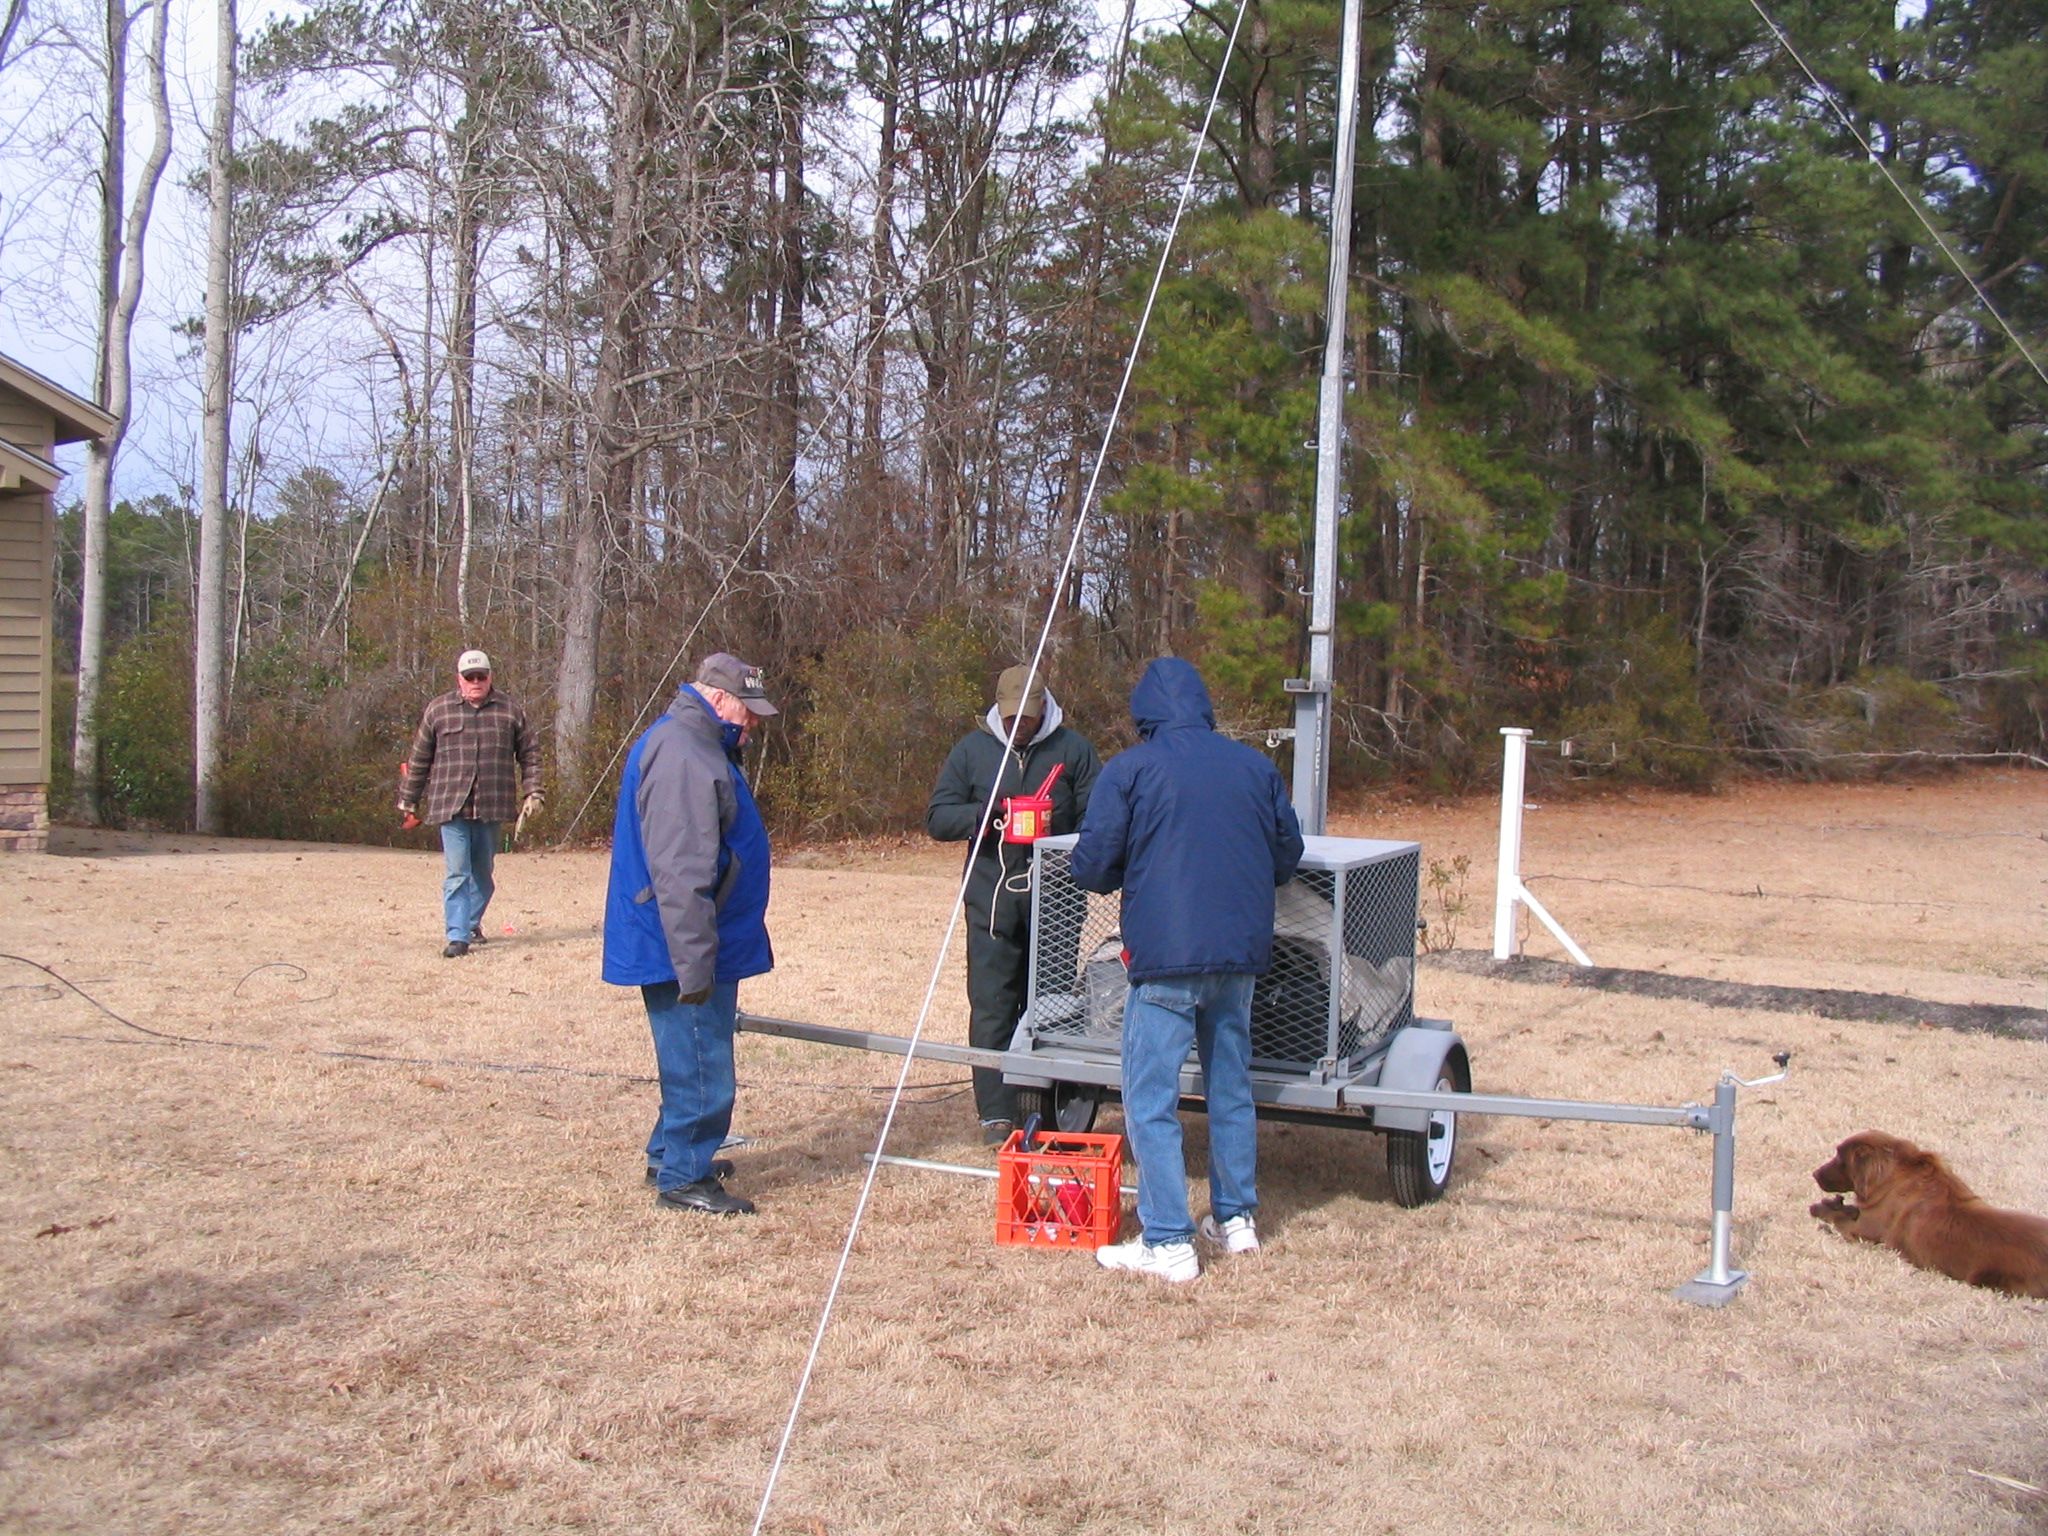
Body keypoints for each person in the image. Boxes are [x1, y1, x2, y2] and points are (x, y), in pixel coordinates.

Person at [1069, 657, 1303, 1282]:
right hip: (1240, 958)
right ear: (1203, 706)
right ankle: (1236, 1220)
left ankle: (1168, 1241)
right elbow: (1288, 856)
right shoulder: (1255, 767)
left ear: (1143, 713)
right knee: (1230, 1088)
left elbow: (1091, 866)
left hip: (1165, 961)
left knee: (1151, 1098)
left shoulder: (1130, 770)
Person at [603, 652, 778, 1217]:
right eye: (748, 711)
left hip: (693, 935)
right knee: (702, 1062)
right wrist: (695, 964)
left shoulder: (699, 744)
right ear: (718, 699)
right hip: (682, 941)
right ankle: (684, 1176)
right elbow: (680, 871)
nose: (753, 723)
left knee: (690, 1053)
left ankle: (668, 1154)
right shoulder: (683, 751)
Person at [927, 662, 1101, 1146]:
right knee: (992, 1005)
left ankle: (1045, 1109)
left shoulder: (1074, 750)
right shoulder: (973, 750)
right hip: (992, 901)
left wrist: (1065, 842)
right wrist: (989, 815)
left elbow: (1099, 818)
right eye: (1009, 717)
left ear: (1044, 708)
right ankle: (996, 1113)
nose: (1017, 725)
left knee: (1051, 1006)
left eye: (1026, 716)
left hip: (1058, 900)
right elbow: (938, 817)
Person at [399, 648, 543, 959]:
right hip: (450, 805)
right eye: (470, 677)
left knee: (483, 875)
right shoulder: (438, 710)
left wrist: (533, 791)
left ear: (490, 677)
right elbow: (420, 759)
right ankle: (457, 936)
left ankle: (470, 923)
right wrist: (409, 799)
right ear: (459, 679)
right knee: (457, 872)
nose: (476, 682)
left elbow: (530, 754)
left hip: (492, 804)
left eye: (481, 676)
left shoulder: (510, 710)